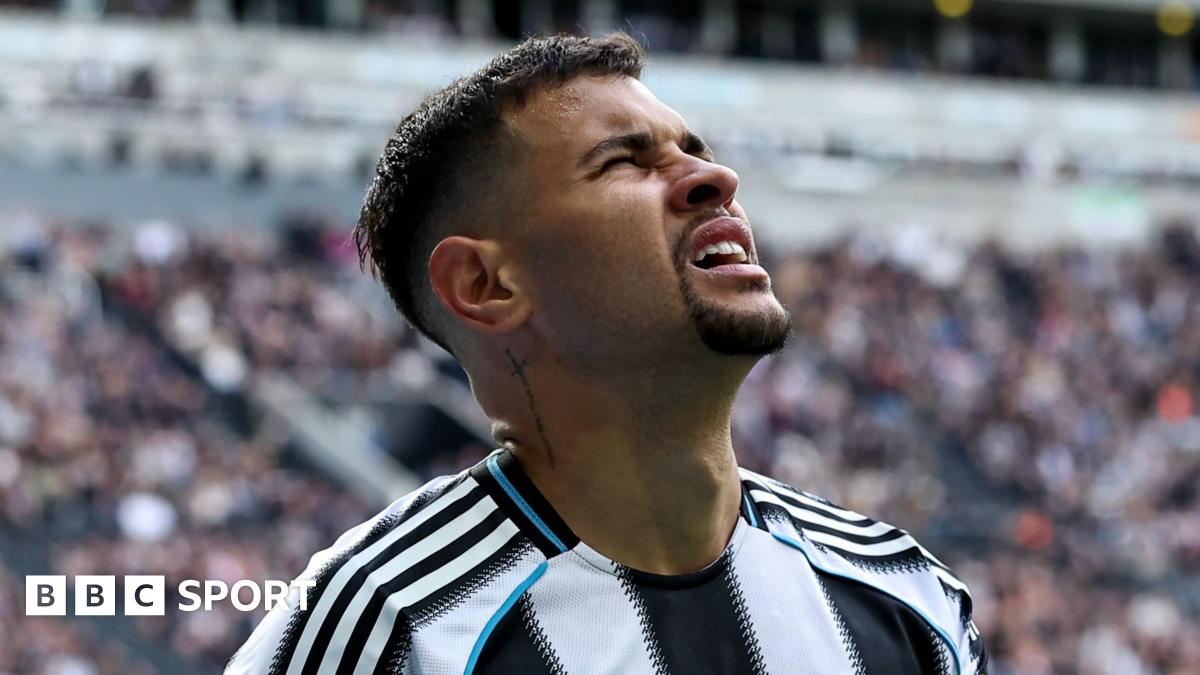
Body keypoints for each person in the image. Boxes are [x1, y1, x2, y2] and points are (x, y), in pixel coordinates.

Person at [227, 33, 988, 675]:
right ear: (486, 284)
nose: (715, 179)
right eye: (625, 162)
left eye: (695, 150)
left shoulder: (905, 593)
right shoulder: (384, 629)